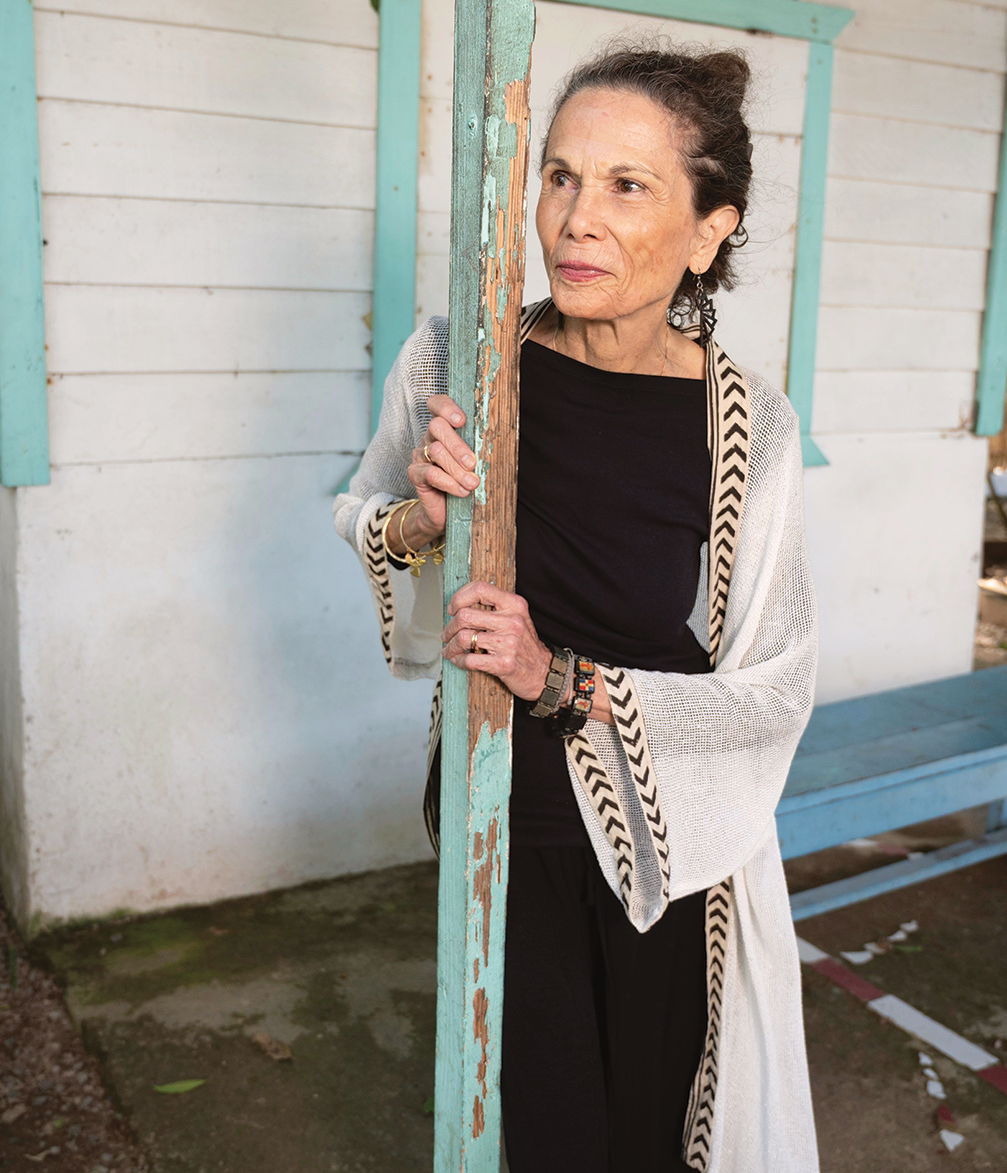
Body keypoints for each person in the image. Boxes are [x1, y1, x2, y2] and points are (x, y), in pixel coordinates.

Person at [335, 42, 819, 1173]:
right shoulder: (463, 358)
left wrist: (559, 677)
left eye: (626, 186)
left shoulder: (746, 426)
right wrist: (421, 520)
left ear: (709, 231)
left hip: (664, 842)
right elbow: (366, 514)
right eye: (558, 175)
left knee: (654, 1131)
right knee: (542, 1133)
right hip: (504, 813)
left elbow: (773, 683)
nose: (574, 220)